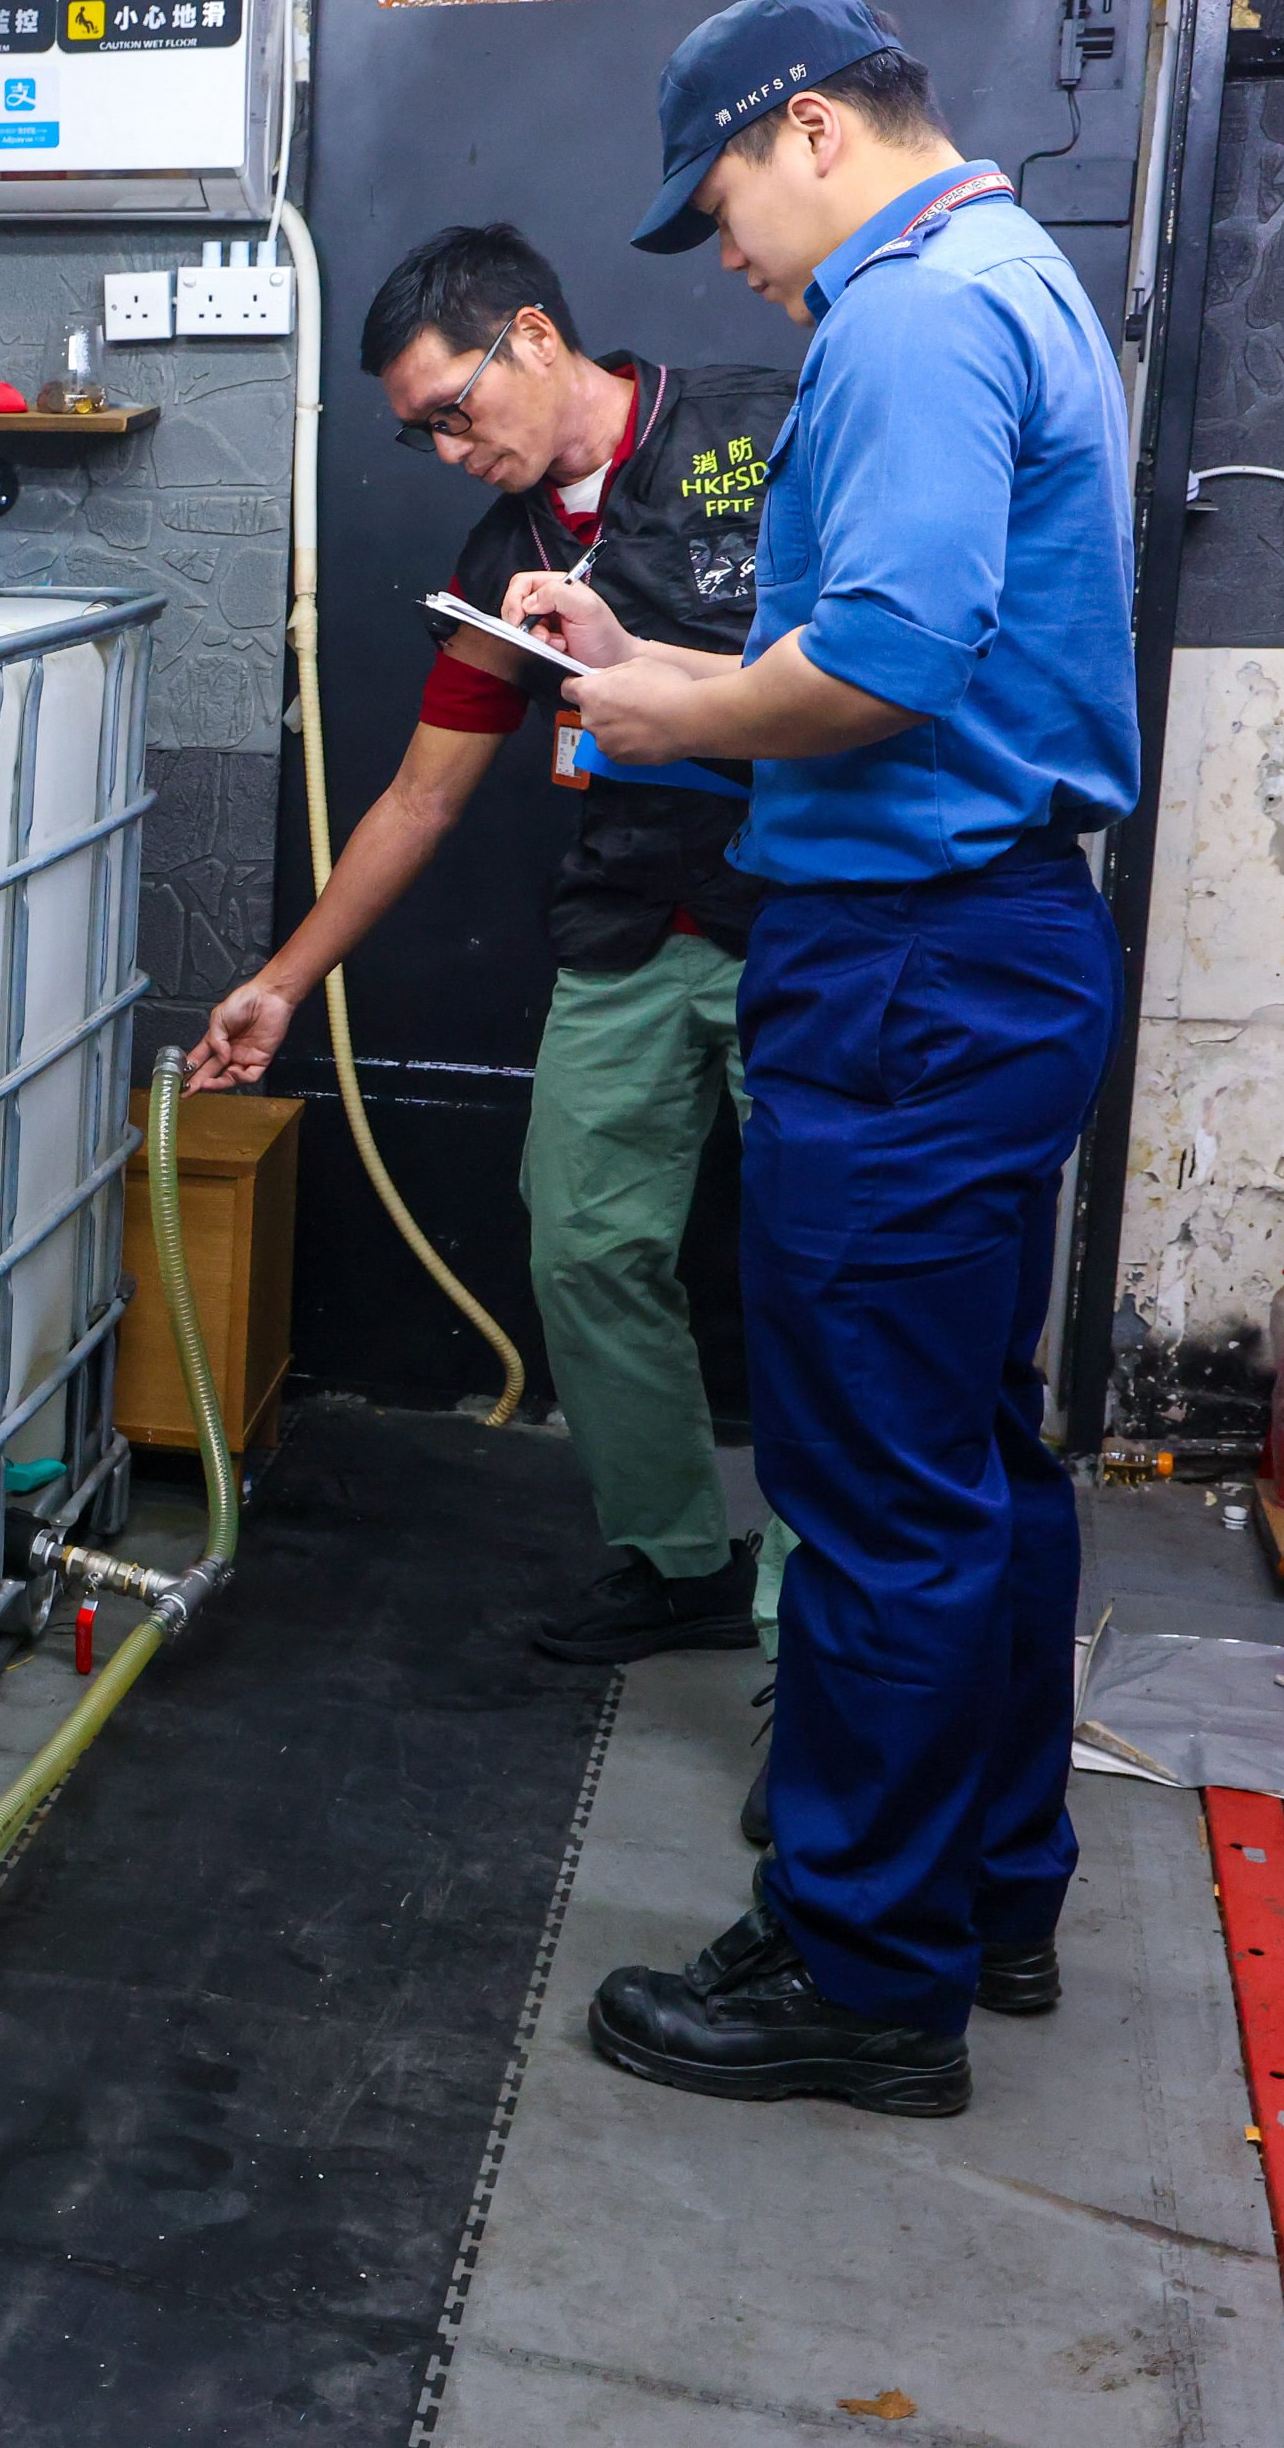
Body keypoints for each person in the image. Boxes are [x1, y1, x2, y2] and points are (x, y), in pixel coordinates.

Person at [517, 0, 1137, 2117]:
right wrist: (661, 657)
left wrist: (653, 717)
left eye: (717, 211)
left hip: (900, 964)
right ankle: (985, 1885)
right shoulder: (1014, 274)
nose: (729, 266)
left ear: (798, 134)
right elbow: (911, 638)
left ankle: (860, 1977)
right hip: (997, 947)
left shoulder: (895, 309)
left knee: (869, 1492)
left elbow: (878, 661)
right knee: (975, 1453)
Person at [186, 229, 797, 1671]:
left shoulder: (765, 427)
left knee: (823, 1281)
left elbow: (876, 666)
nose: (448, 447)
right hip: (633, 926)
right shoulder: (502, 557)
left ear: (531, 335)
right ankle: (675, 1558)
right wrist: (281, 983)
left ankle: (815, 1639)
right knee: (584, 1242)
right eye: (418, 435)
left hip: (812, 924)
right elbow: (419, 796)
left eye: (452, 409)